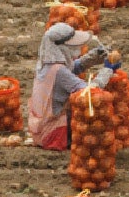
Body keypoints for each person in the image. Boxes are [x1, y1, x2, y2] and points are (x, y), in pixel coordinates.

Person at [27, 21, 122, 151]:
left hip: (40, 128)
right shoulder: (59, 71)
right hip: (53, 133)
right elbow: (89, 92)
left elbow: (71, 68)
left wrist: (94, 57)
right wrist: (107, 70)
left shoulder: (46, 64)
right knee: (94, 111)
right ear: (61, 47)